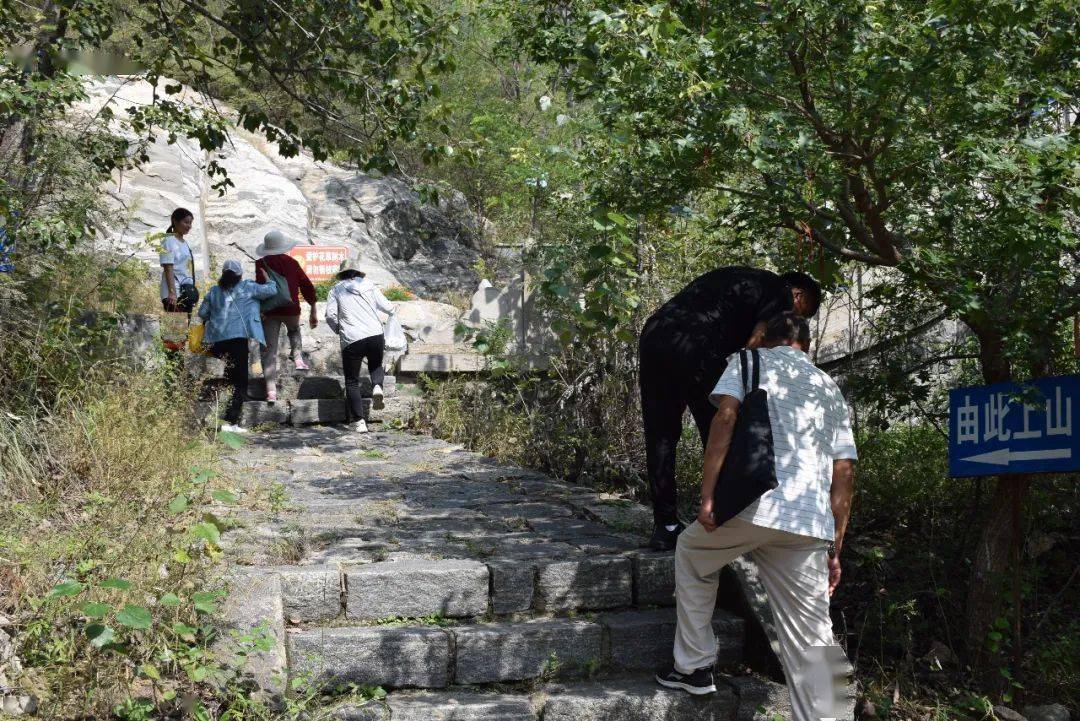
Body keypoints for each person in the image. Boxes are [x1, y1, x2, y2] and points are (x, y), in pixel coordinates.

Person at [656, 312, 856, 721]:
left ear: (762, 335)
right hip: (808, 522)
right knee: (814, 637)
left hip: (753, 505)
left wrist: (708, 496)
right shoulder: (828, 386)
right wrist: (835, 547)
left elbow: (725, 419)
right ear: (806, 344)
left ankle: (693, 665)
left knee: (693, 551)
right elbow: (844, 472)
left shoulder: (748, 362)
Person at [639, 267, 822, 551]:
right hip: (696, 341)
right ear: (798, 294)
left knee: (661, 434)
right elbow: (755, 342)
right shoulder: (779, 291)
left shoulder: (740, 279)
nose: (794, 320)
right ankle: (724, 523)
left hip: (655, 333)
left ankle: (666, 526)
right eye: (802, 311)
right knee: (720, 428)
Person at [197, 259, 277, 433]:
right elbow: (272, 290)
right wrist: (267, 277)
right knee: (240, 381)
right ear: (240, 275)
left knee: (228, 378)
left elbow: (202, 313)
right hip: (238, 341)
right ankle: (230, 422)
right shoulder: (248, 286)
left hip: (217, 343)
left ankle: (220, 416)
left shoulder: (214, 291)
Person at [325, 260, 394, 434]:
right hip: (375, 334)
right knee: (376, 365)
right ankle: (377, 386)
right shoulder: (370, 285)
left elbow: (330, 316)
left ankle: (359, 421)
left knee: (352, 380)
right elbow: (388, 307)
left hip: (352, 337)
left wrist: (339, 330)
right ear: (358, 273)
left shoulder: (335, 290)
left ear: (342, 274)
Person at [254, 229, 319, 401]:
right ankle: (297, 357)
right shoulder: (292, 262)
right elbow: (306, 285)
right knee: (294, 330)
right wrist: (313, 308)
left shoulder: (260, 264)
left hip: (270, 313)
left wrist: (260, 310)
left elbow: (260, 287)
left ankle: (271, 392)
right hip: (291, 309)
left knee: (269, 352)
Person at [159, 208, 198, 313]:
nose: (189, 226)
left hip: (185, 291)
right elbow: (168, 267)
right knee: (176, 327)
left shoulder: (184, 243)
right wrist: (172, 292)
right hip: (174, 293)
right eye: (186, 222)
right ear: (175, 221)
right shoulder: (168, 240)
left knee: (185, 327)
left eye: (190, 223)